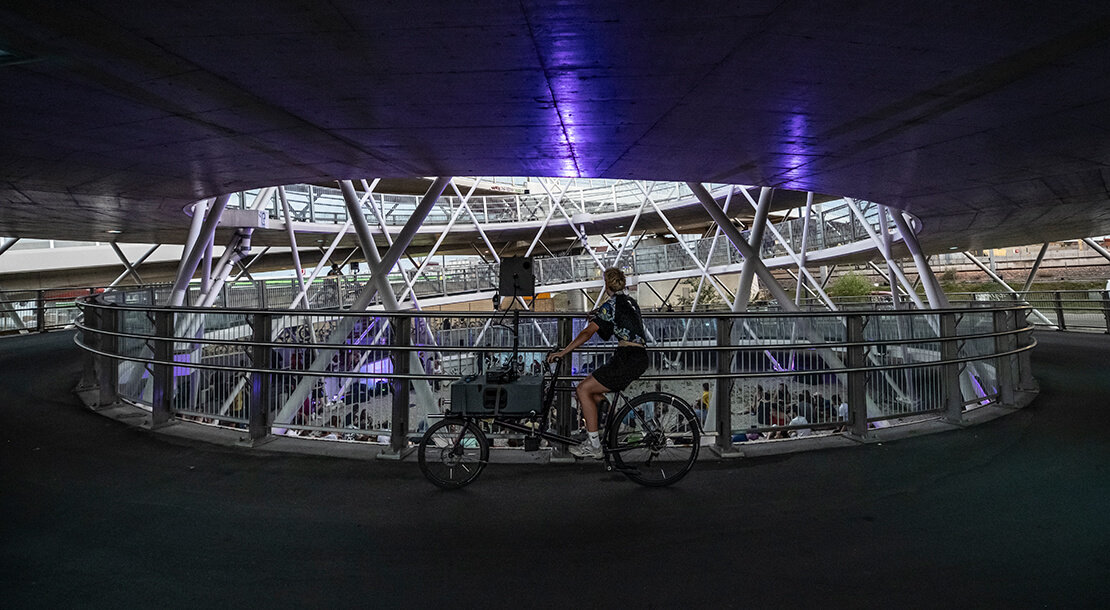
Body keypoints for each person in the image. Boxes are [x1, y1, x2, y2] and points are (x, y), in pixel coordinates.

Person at [547, 267, 647, 459]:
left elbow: (587, 333)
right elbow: (615, 321)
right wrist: (598, 313)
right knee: (589, 389)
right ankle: (608, 422)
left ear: (606, 284)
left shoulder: (610, 306)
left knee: (583, 389)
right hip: (636, 356)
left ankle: (594, 446)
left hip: (627, 358)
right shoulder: (630, 302)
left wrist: (564, 352)